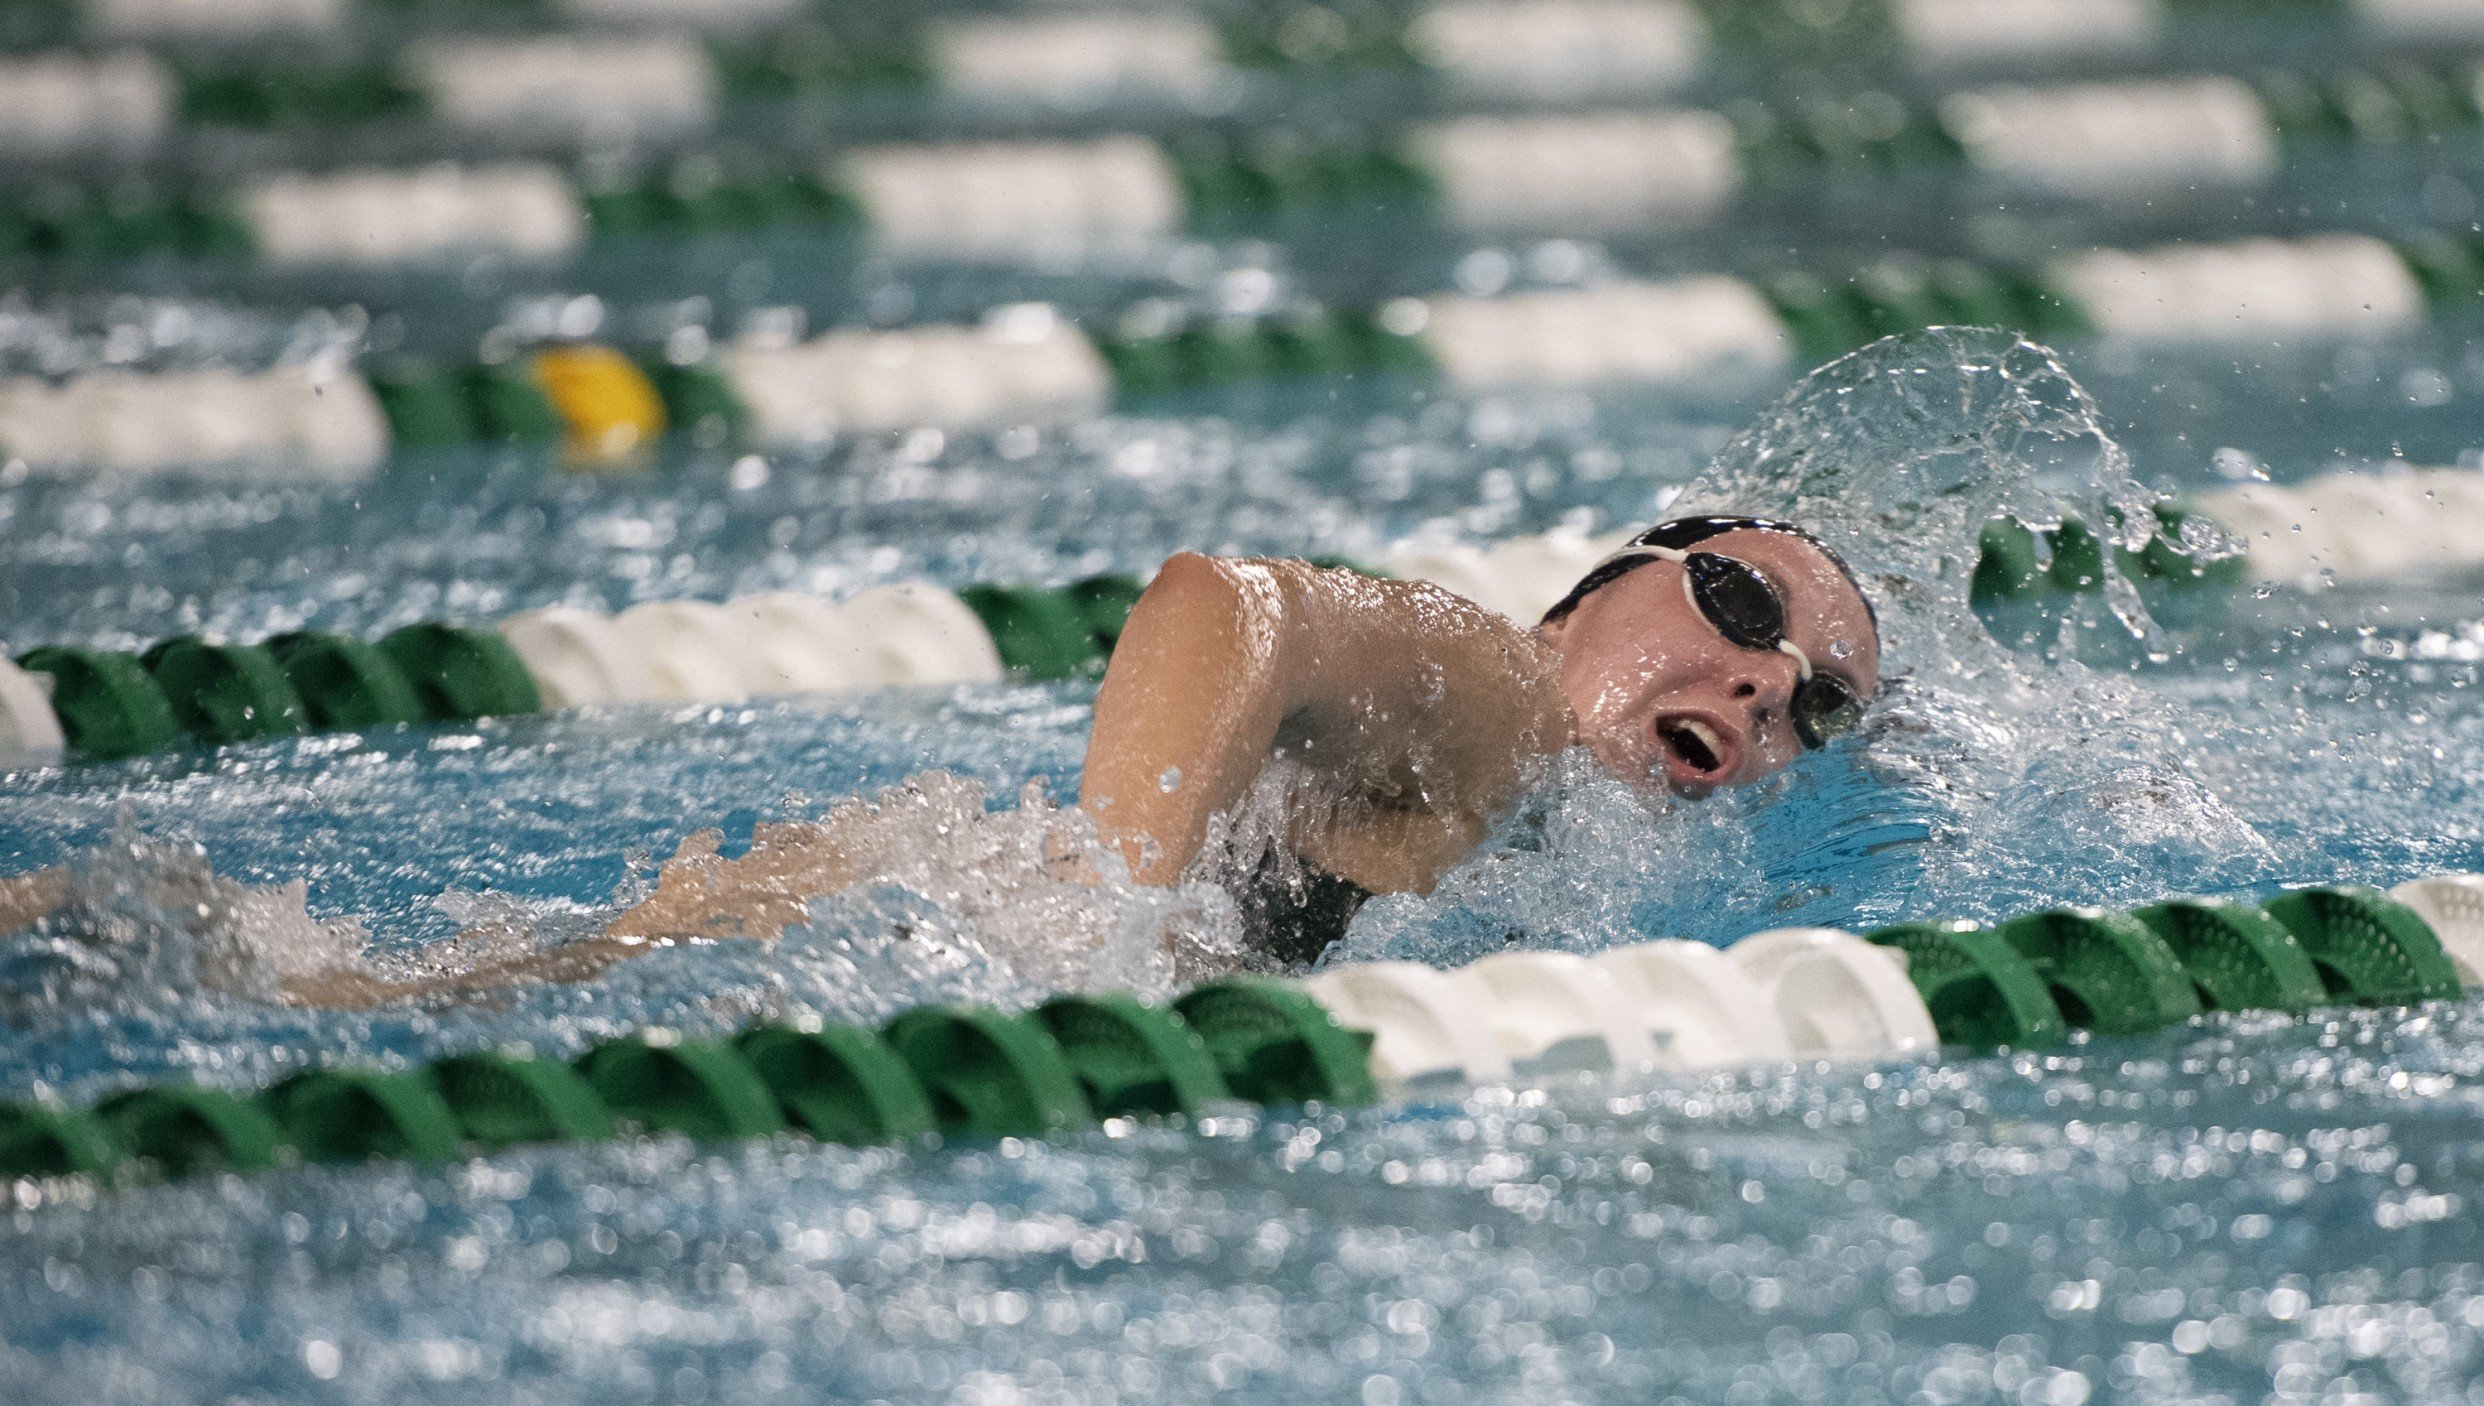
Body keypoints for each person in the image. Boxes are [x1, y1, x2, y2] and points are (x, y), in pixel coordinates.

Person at [0, 516, 1881, 1004]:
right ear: (1597, 590)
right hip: (908, 938)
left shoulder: (1559, 839)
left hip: (875, 937)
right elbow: (1224, 608)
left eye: (1814, 703)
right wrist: (1115, 925)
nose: (1759, 681)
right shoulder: (1493, 693)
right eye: (1734, 598)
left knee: (319, 981)